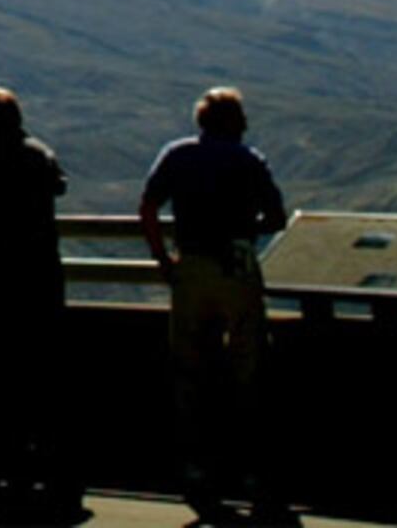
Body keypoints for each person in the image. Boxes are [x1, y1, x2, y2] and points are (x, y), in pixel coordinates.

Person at [139, 86, 291, 520]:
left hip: (191, 269)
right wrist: (244, 230)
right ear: (234, 122)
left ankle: (197, 468)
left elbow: (148, 207)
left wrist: (163, 260)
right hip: (237, 268)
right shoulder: (249, 160)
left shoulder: (177, 155)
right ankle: (253, 471)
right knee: (248, 366)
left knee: (190, 367)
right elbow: (277, 217)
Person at [0, 87, 71, 518]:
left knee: (0, 370)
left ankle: (2, 464)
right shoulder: (39, 153)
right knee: (42, 369)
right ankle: (46, 463)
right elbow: (61, 185)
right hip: (41, 274)